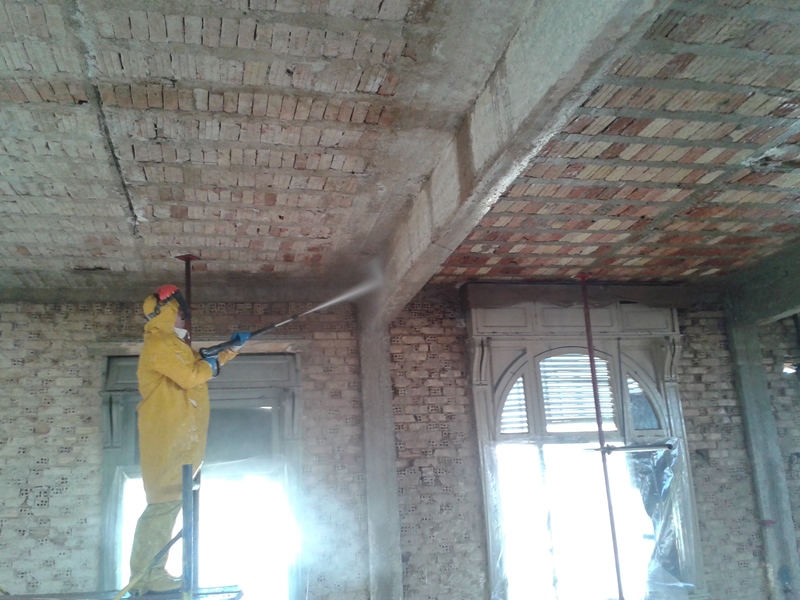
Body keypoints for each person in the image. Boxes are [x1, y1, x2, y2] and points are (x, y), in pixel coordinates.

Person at [127, 284, 249, 595]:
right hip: (167, 434)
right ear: (166, 314)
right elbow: (192, 375)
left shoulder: (174, 345)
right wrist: (210, 362)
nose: (185, 319)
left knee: (169, 505)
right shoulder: (160, 344)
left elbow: (201, 365)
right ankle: (145, 579)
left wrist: (231, 350)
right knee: (162, 506)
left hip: (180, 435)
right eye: (180, 313)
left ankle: (152, 574)